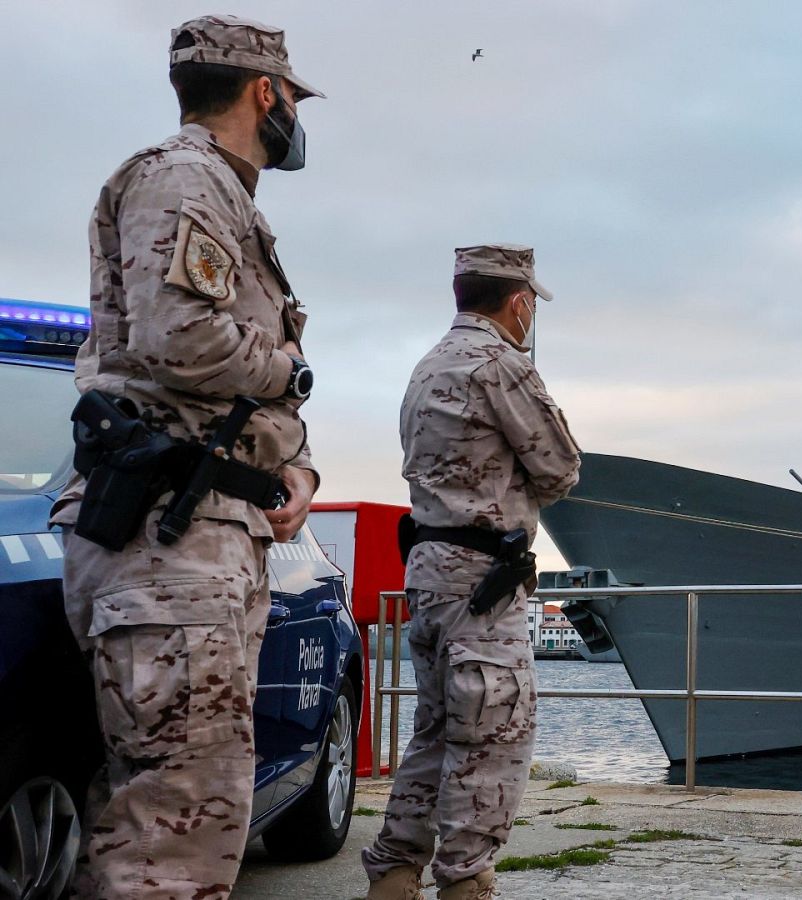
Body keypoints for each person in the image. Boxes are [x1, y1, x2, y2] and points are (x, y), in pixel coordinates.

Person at [49, 14, 324, 899]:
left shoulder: (222, 195)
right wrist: (292, 368)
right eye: (292, 100)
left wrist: (296, 467)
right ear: (265, 92)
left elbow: (224, 392)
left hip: (203, 529)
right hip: (170, 538)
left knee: (178, 814)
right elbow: (181, 339)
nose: (295, 119)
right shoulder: (184, 177)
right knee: (175, 830)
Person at [363, 244, 580, 900]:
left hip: (428, 570)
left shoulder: (427, 365)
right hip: (484, 582)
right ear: (519, 303)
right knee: (492, 737)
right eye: (530, 306)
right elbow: (560, 469)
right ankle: (465, 882)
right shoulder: (502, 365)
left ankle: (394, 875)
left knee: (434, 733)